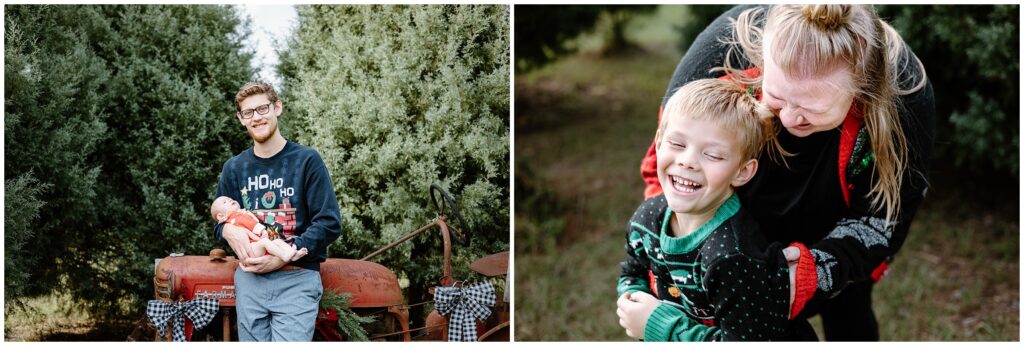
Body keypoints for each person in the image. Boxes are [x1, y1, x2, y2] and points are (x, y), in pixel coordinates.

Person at [638, 5, 934, 340]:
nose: (791, 119)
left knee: (849, 309)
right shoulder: (720, 52)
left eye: (812, 110)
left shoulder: (906, 96)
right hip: (732, 219)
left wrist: (818, 270)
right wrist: (683, 255)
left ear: (863, 88)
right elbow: (663, 160)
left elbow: (884, 218)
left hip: (836, 217)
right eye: (777, 98)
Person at [616, 78, 818, 341]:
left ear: (742, 172)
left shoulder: (732, 257)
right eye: (677, 144)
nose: (688, 161)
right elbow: (633, 268)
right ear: (659, 143)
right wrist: (630, 299)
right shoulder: (647, 220)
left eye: (712, 155)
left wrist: (658, 326)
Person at [213, 81, 342, 341]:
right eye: (248, 112)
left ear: (278, 107)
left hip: (297, 277)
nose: (256, 117)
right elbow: (221, 219)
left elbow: (329, 222)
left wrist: (284, 256)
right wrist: (226, 229)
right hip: (250, 280)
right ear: (241, 119)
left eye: (262, 108)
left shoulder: (307, 160)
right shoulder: (234, 168)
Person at [209, 196, 308, 263]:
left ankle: (292, 253)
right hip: (251, 248)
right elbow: (250, 224)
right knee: (266, 241)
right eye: (225, 202)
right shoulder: (236, 217)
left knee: (277, 241)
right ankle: (285, 256)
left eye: (229, 198)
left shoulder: (238, 215)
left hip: (256, 245)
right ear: (220, 216)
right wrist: (262, 230)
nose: (230, 200)